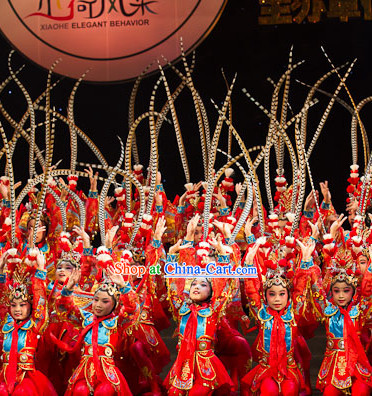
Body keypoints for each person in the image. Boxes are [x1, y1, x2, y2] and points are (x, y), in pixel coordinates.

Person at [0, 248, 57, 396]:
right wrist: (1, 272)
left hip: (26, 378)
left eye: (22, 305)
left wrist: (40, 271)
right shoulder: (7, 324)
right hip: (4, 377)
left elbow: (40, 301)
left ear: (30, 306)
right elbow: (2, 301)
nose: (17, 309)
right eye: (13, 305)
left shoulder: (33, 325)